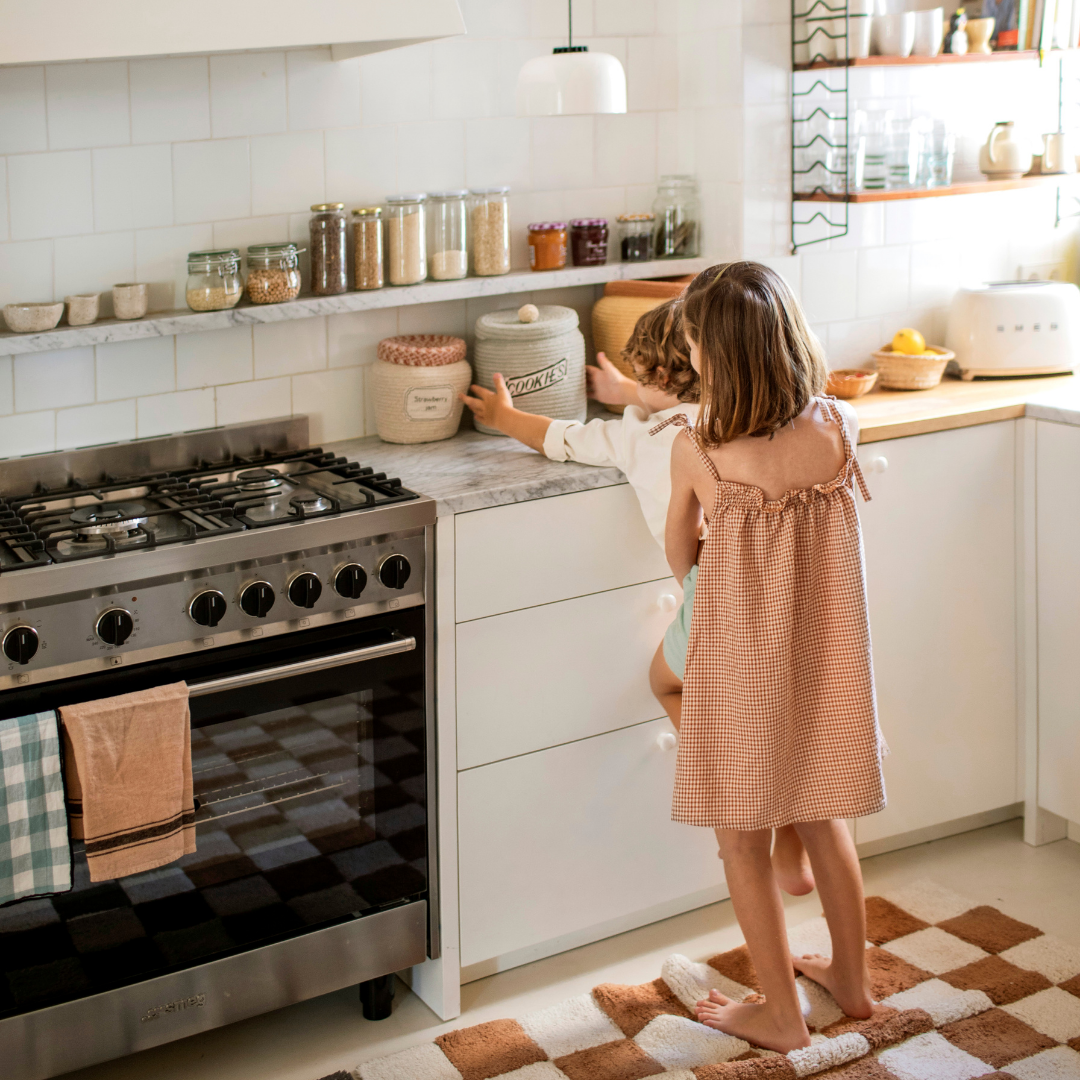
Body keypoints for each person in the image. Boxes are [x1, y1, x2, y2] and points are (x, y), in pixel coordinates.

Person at [461, 298, 816, 898]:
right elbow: (670, 398)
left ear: (653, 379)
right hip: (789, 587)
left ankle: (733, 786)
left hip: (716, 592)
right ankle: (795, 847)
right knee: (792, 714)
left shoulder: (635, 434)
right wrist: (626, 385)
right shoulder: (740, 423)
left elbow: (557, 436)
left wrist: (503, 415)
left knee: (668, 683)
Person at [655, 262, 885, 1052]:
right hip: (823, 655)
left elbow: (680, 553)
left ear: (711, 355)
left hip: (739, 656)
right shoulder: (837, 425)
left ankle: (781, 1014)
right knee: (824, 815)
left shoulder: (700, 450)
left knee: (741, 841)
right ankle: (851, 983)